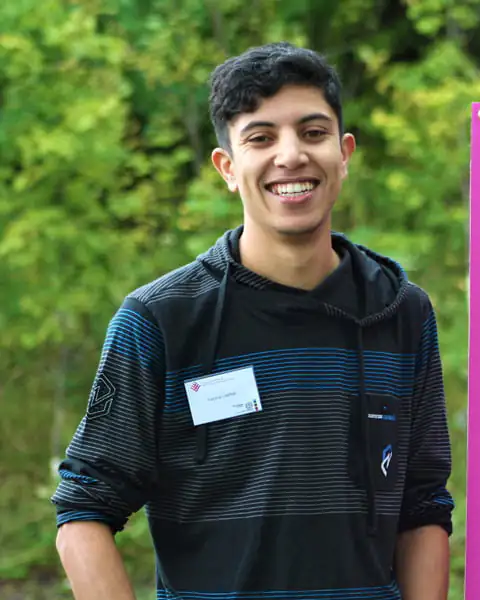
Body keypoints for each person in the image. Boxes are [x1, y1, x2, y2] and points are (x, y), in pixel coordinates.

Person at [50, 42, 455, 600]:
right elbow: (83, 511)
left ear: (344, 153)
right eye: (261, 138)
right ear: (227, 167)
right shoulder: (161, 320)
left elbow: (423, 505)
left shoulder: (402, 312)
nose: (291, 155)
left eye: (313, 132)